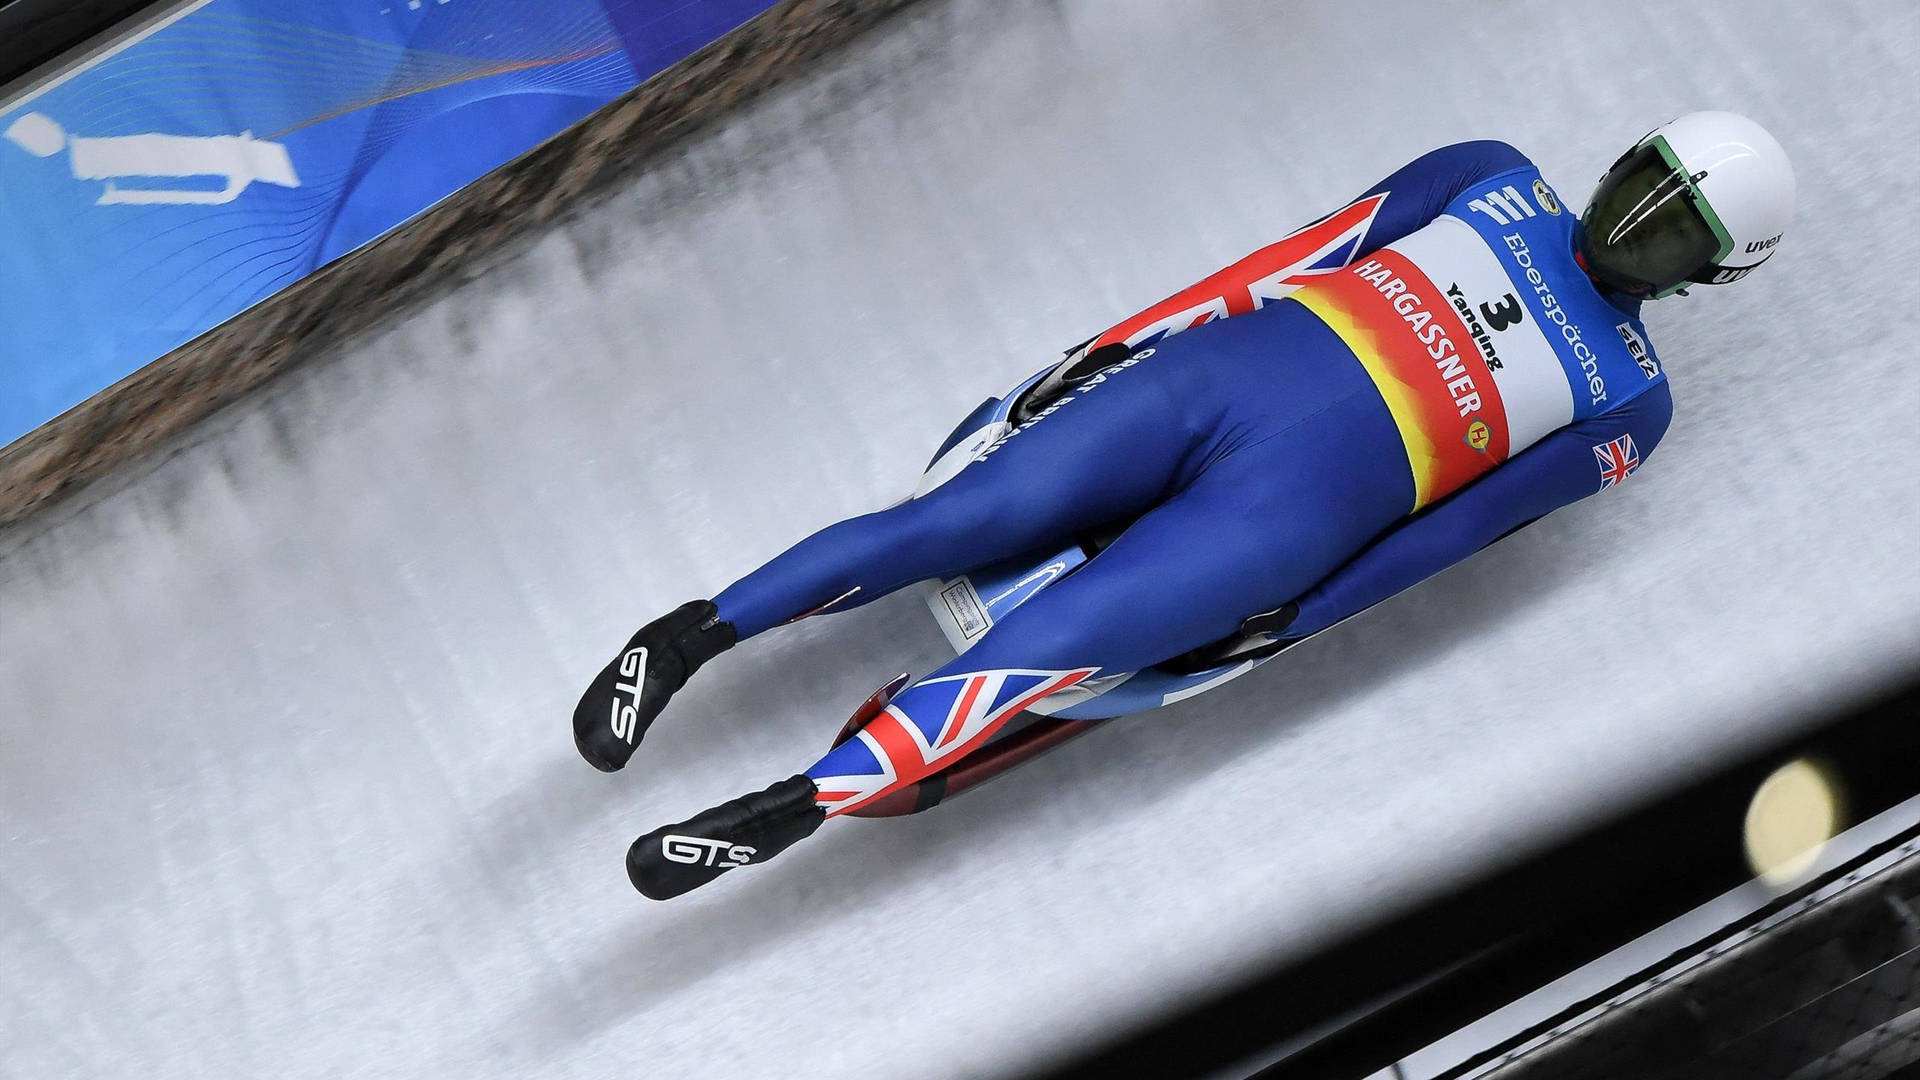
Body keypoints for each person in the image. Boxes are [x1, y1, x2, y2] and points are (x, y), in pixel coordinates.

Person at [575, 111, 1796, 900]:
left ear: (1706, 272)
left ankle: (790, 806)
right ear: (1622, 152)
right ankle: (684, 638)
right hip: (1207, 386)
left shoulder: (1632, 404)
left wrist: (1300, 618)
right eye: (1646, 178)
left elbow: (1463, 532)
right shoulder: (1487, 175)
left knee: (1045, 650)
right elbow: (1283, 263)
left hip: (1283, 520)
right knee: (951, 523)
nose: (1635, 218)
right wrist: (1110, 352)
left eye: (1672, 222)